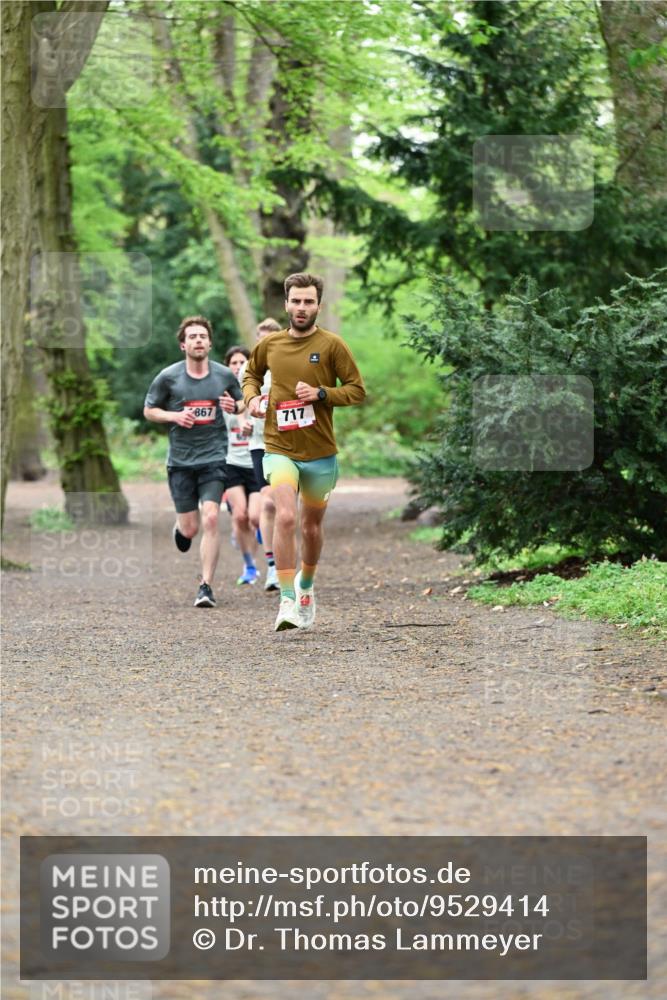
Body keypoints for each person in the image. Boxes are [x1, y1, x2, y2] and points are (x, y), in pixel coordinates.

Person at [243, 272, 365, 631]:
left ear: (318, 305)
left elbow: (356, 390)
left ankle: (306, 587)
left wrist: (322, 394)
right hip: (279, 446)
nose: (301, 307)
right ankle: (285, 599)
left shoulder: (332, 346)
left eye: (308, 301)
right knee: (284, 516)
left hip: (320, 452)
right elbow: (251, 374)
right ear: (286, 304)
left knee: (311, 528)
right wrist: (251, 398)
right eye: (295, 301)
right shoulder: (271, 345)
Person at [144, 316, 243, 608]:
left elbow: (242, 401)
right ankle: (181, 528)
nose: (198, 340)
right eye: (193, 336)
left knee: (211, 516)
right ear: (183, 344)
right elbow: (150, 410)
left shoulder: (224, 375)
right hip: (181, 461)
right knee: (190, 528)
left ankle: (206, 586)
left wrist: (233, 406)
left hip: (214, 457)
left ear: (210, 343)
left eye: (203, 336)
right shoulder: (168, 377)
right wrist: (174, 416)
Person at [246, 318, 282, 593]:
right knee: (268, 502)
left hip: (288, 444)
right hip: (259, 444)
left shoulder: (288, 368)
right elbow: (238, 404)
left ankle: (286, 561)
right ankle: (272, 566)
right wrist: (243, 420)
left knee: (286, 508)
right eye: (262, 339)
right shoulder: (249, 369)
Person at [222, 345, 261, 585]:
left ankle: (258, 541)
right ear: (227, 366)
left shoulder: (258, 392)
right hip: (231, 463)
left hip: (255, 461)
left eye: (242, 362)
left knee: (255, 518)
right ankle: (249, 566)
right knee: (239, 516)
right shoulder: (221, 396)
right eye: (233, 363)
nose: (237, 366)